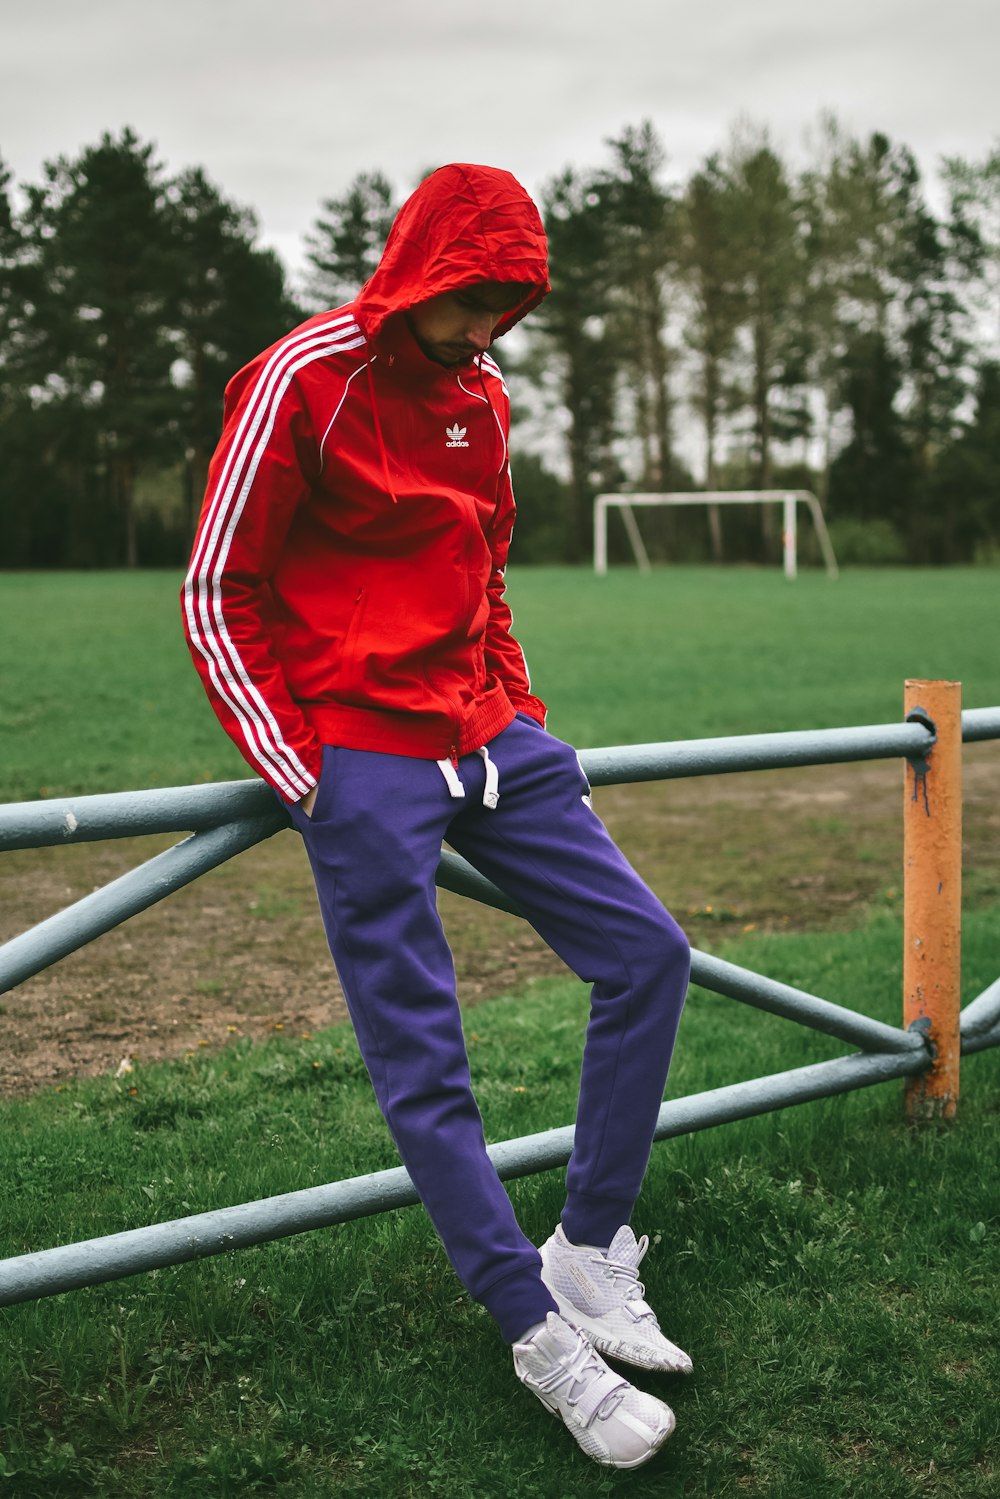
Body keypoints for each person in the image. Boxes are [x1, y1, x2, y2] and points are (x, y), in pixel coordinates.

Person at [182, 162, 692, 1471]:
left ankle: (584, 1249)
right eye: (470, 301)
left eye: (505, 308)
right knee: (428, 1057)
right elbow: (215, 588)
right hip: (360, 754)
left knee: (649, 954)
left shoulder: (481, 394)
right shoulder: (302, 377)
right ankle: (537, 1337)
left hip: (488, 735)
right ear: (416, 270)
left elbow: (485, 576)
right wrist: (306, 776)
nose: (485, 331)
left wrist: (524, 718)